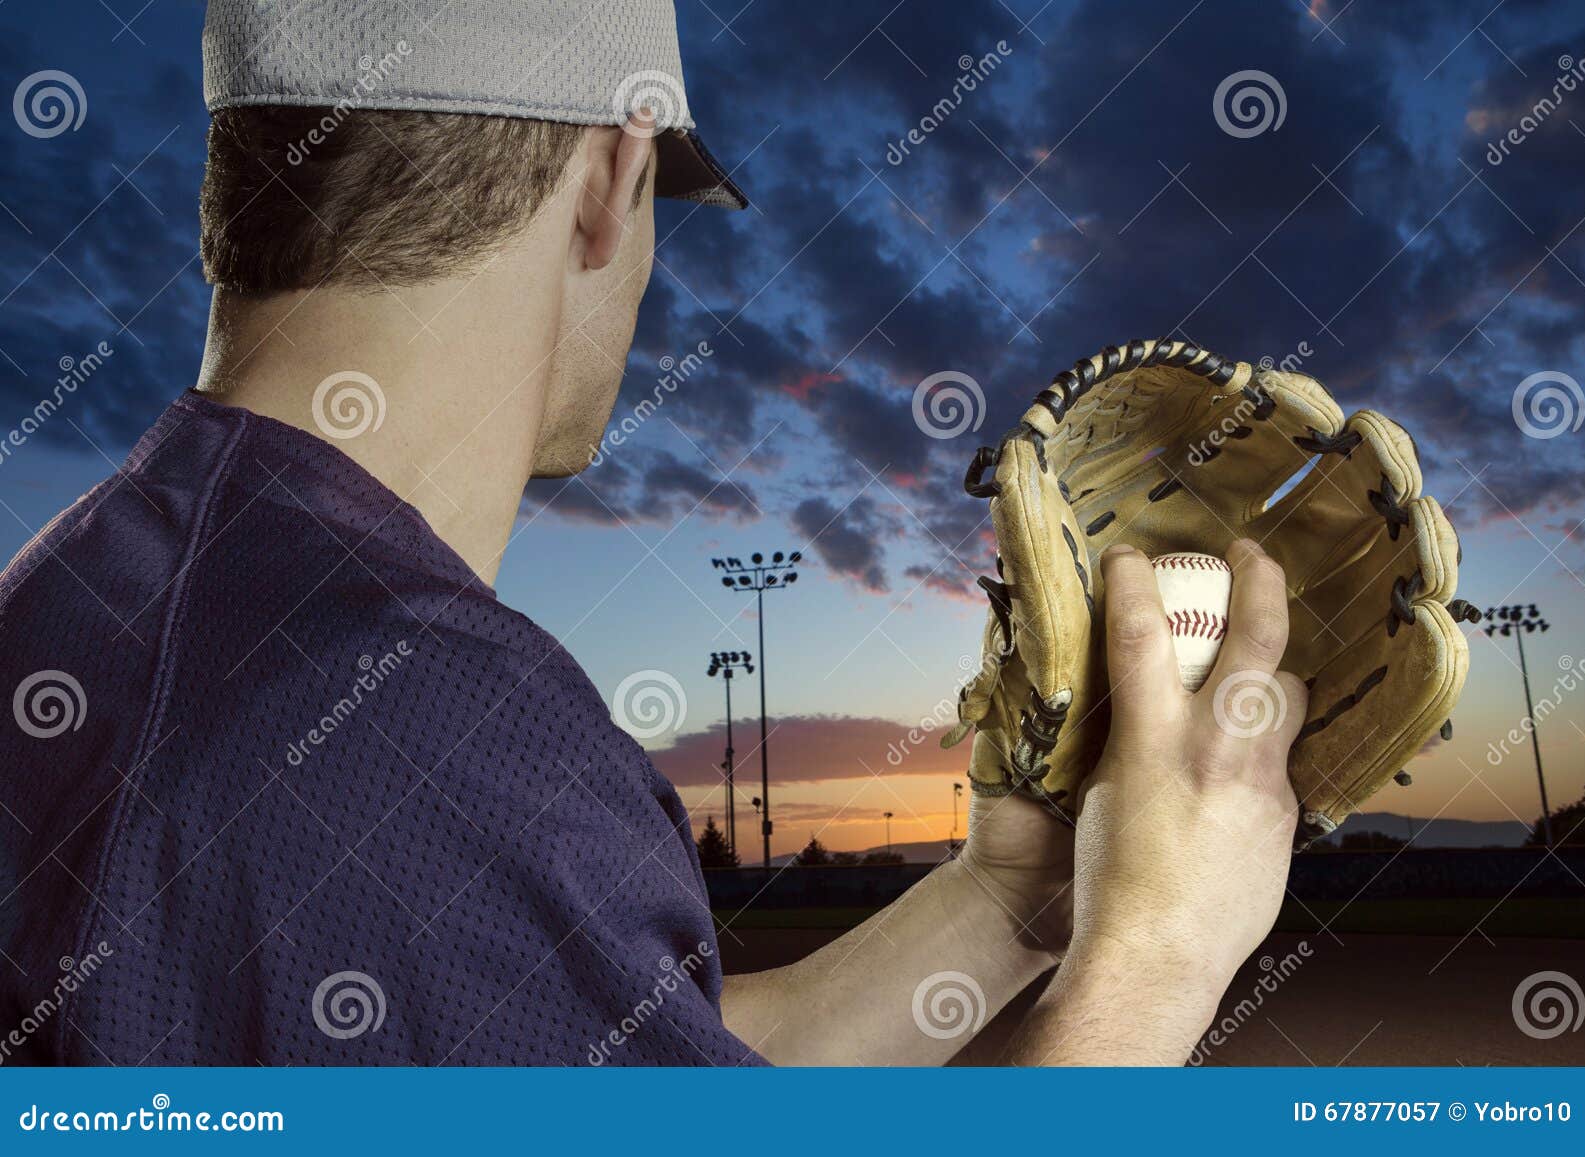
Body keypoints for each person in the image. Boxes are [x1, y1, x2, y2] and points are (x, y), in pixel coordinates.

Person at [0, 0, 1305, 1066]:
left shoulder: (66, 598)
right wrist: (1157, 959)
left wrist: (1014, 903)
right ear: (613, 176)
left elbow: (629, 1056)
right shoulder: (437, 732)